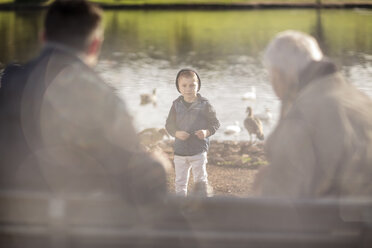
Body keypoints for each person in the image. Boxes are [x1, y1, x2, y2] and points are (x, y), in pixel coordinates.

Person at [0, 0, 166, 204]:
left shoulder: (8, 84)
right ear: (95, 45)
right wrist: (158, 165)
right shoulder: (102, 97)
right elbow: (139, 179)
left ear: (43, 38)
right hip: (75, 230)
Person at [254, 30, 372, 197]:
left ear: (280, 75)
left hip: (341, 220)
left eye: (271, 77)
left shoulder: (301, 115)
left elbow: (278, 202)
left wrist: (263, 186)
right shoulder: (360, 98)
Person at [165, 69, 220, 196]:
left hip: (198, 151)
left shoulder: (205, 104)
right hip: (180, 151)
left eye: (192, 85)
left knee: (200, 181)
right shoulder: (175, 105)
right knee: (180, 182)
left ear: (198, 86)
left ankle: (203, 205)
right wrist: (176, 133)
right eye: (184, 85)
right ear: (178, 87)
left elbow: (215, 123)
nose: (188, 89)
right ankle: (180, 206)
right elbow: (169, 125)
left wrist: (206, 132)